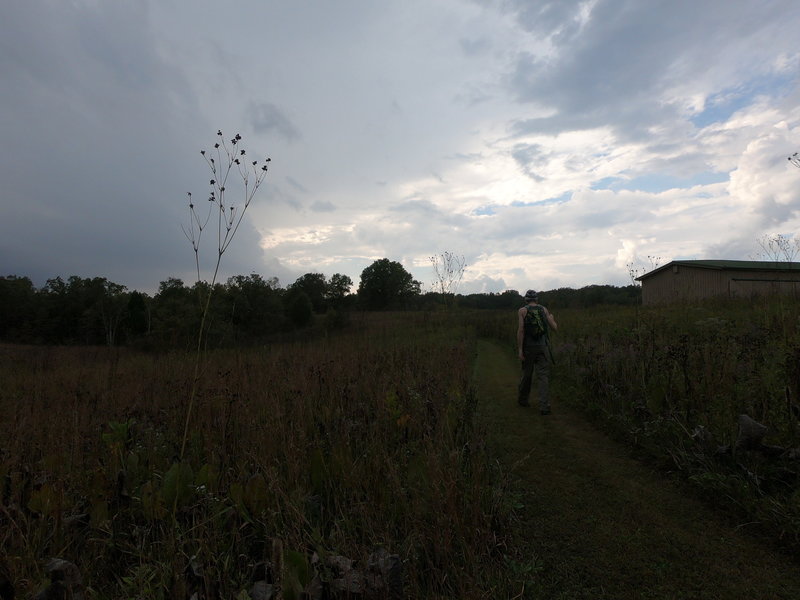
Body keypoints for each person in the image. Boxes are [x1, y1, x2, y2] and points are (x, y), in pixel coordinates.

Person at [517, 290, 558, 414]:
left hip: (529, 348)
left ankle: (523, 400)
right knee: (543, 376)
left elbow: (521, 331)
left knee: (527, 375)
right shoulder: (544, 310)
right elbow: (555, 328)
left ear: (526, 300)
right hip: (543, 347)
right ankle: (544, 406)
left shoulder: (522, 311)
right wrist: (551, 318)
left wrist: (520, 350)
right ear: (537, 299)